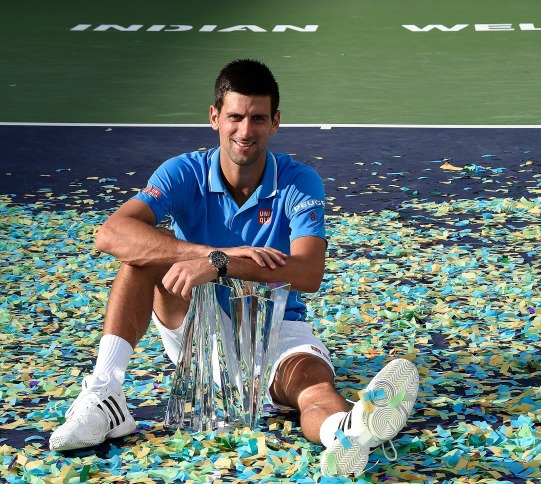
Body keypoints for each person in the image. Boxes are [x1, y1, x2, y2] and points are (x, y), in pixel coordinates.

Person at [48, 59, 419, 477]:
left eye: (258, 118)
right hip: (197, 327)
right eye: (235, 117)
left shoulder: (300, 182)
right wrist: (209, 254)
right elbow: (111, 234)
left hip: (277, 326)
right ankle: (104, 395)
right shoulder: (182, 172)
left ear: (275, 122)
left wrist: (225, 265)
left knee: (314, 385)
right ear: (214, 118)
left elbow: (308, 273)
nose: (245, 131)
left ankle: (345, 431)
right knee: (143, 255)